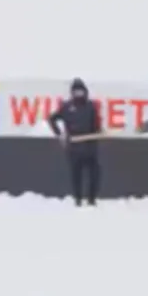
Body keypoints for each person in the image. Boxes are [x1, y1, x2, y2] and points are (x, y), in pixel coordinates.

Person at [48, 78, 102, 206]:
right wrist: (59, 134)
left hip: (90, 148)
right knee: (76, 176)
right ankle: (78, 199)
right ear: (72, 93)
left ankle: (91, 199)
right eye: (76, 92)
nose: (79, 94)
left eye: (81, 92)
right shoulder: (66, 107)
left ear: (85, 92)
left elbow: (96, 125)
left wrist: (98, 132)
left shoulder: (91, 106)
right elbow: (52, 119)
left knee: (95, 174)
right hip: (73, 148)